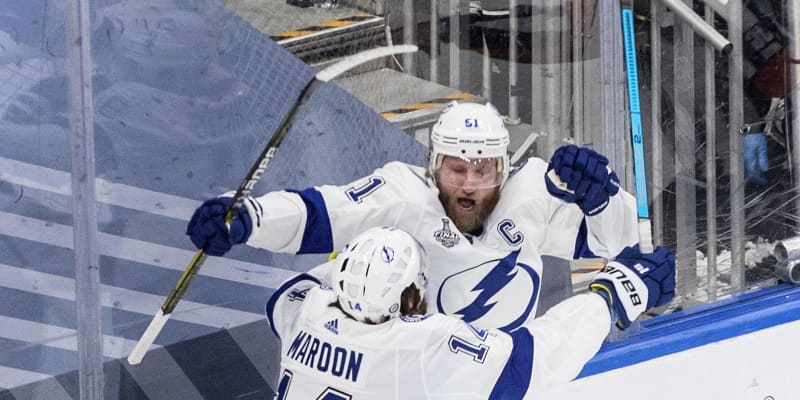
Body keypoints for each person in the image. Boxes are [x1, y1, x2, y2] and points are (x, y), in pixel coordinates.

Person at [187, 101, 640, 331]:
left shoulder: (531, 200)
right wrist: (249, 217)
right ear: (432, 166)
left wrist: (602, 199)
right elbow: (323, 212)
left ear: (504, 169)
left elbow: (613, 243)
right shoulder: (405, 197)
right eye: (456, 169)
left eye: (482, 171)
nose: (468, 184)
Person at [266, 226, 676, 399]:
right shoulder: (418, 342)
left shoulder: (306, 313)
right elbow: (532, 361)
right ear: (410, 298)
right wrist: (613, 294)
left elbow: (288, 293)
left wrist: (360, 264)